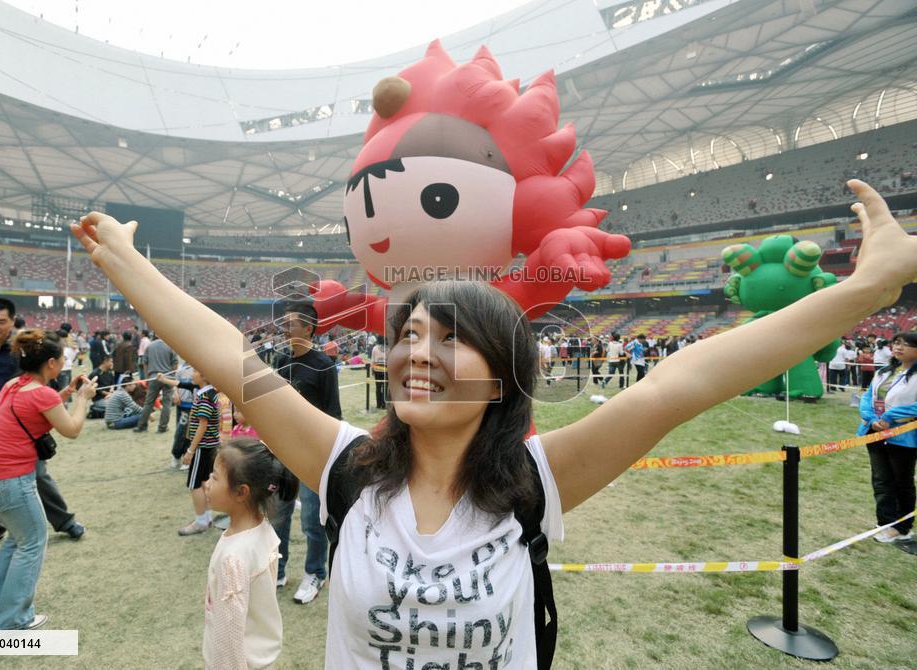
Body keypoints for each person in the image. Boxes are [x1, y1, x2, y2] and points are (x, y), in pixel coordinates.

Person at [74, 180, 916, 668]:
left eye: (450, 338)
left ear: (504, 376)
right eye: (407, 334)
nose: (416, 353)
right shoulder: (345, 466)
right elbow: (231, 358)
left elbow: (681, 383)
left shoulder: (538, 481)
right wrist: (129, 265)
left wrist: (867, 289)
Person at [0, 329, 96, 630]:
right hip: (10, 483)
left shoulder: (15, 384)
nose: (64, 365)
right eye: (63, 361)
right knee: (32, 543)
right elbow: (72, 429)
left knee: (18, 540)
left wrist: (66, 394)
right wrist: (82, 399)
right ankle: (12, 620)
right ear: (51, 363)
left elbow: (35, 410)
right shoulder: (42, 393)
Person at [0, 298, 85, 542]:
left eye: (1, 321)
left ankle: (64, 520)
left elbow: (41, 382)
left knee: (37, 472)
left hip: (23, 412)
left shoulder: (26, 348)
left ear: (12, 320)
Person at [202, 439, 297, 669]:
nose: (207, 483)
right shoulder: (262, 529)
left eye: (214, 477)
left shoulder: (233, 558)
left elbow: (230, 635)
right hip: (260, 659)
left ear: (241, 492)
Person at [271, 302, 341, 604]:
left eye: (290, 324)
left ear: (308, 328)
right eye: (283, 324)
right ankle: (278, 571)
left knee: (312, 520)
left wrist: (324, 454)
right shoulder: (281, 360)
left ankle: (315, 574)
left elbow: (333, 414)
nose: (284, 330)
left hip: (313, 454)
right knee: (278, 515)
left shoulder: (324, 365)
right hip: (282, 452)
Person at [857, 332, 917, 543]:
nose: (899, 347)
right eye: (897, 343)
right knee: (881, 480)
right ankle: (885, 523)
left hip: (903, 436)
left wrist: (890, 418)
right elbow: (866, 397)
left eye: (907, 344)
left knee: (902, 481)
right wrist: (871, 418)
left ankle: (902, 527)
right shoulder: (884, 372)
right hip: (875, 432)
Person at [179, 368, 221, 535]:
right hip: (210, 445)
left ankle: (200, 521)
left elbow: (202, 425)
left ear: (204, 376)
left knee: (194, 484)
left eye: (195, 371)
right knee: (204, 482)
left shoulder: (204, 396)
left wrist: (191, 450)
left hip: (203, 447)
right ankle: (207, 517)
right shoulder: (209, 392)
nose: (192, 375)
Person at [134, 336, 178, 433]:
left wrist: (147, 377)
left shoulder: (150, 346)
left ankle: (142, 426)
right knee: (167, 403)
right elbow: (175, 363)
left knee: (148, 402)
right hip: (167, 377)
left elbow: (145, 363)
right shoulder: (170, 345)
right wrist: (172, 375)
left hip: (153, 377)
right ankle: (162, 427)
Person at [371, 335, 388, 410]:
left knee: (378, 387)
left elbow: (373, 360)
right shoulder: (389, 348)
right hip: (386, 370)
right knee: (385, 388)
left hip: (377, 370)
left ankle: (378, 404)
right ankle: (384, 404)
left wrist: (372, 370)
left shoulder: (375, 348)